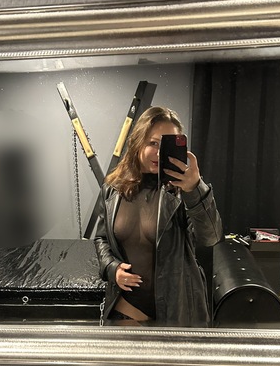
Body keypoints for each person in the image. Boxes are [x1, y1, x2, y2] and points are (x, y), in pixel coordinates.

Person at [94, 106, 223, 326]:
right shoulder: (113, 190)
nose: (159, 152)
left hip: (178, 310)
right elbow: (102, 238)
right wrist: (111, 268)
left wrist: (195, 189)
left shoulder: (183, 192)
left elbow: (210, 237)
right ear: (138, 142)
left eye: (166, 145)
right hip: (127, 306)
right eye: (152, 143)